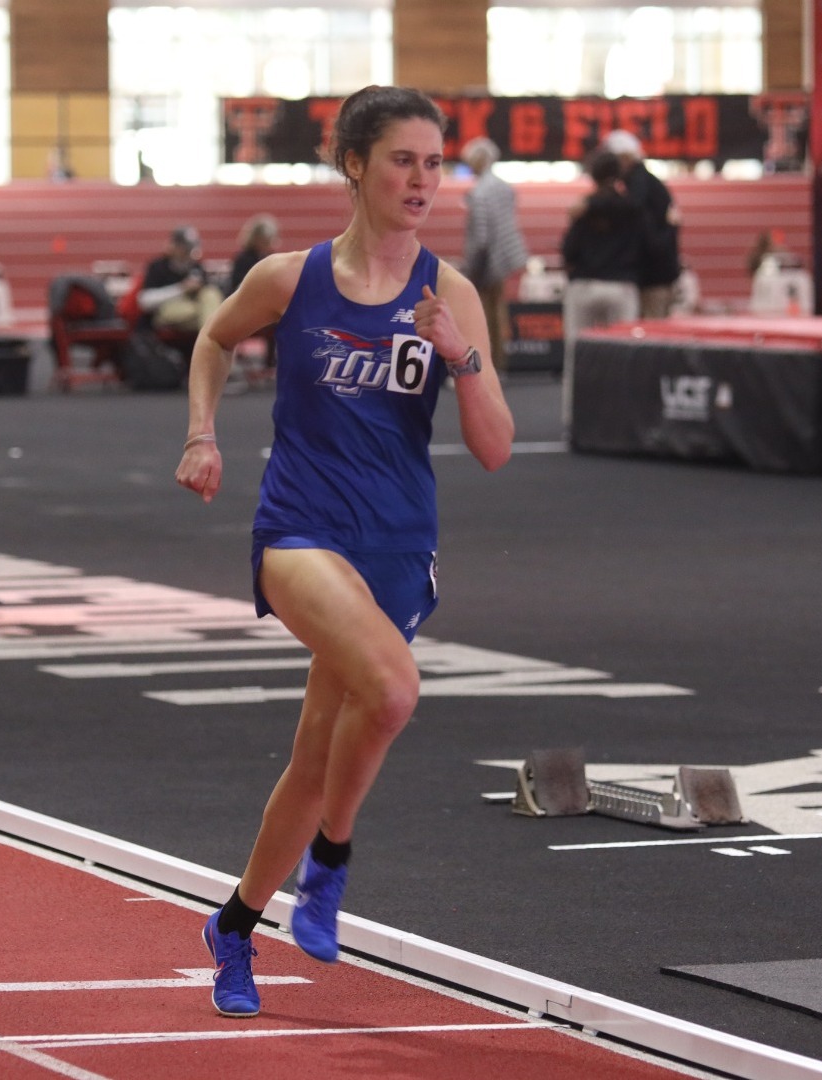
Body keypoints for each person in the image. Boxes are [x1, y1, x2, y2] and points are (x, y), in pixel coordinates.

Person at [174, 84, 513, 1019]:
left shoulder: (452, 293)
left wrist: (462, 357)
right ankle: (330, 863)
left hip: (399, 545)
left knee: (319, 753)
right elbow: (213, 335)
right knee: (395, 691)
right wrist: (204, 433)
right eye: (403, 160)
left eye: (435, 163)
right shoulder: (293, 277)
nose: (422, 180)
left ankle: (234, 926)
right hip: (300, 532)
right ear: (355, 165)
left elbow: (494, 447)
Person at [560, 150, 646, 427]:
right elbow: (645, 245)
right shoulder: (631, 208)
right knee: (624, 359)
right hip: (621, 285)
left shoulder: (583, 208)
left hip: (585, 285)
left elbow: (568, 249)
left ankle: (574, 419)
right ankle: (622, 421)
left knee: (577, 357)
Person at [459, 136, 529, 373]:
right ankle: (499, 364)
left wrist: (471, 270)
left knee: (482, 317)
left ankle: (485, 366)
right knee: (499, 314)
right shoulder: (503, 187)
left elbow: (481, 237)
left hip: (488, 262)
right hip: (506, 257)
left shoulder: (479, 193)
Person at [603, 130, 682, 318]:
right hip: (657, 272)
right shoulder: (643, 182)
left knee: (651, 333)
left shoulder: (639, 184)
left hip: (653, 276)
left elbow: (640, 220)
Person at [138, 225, 224, 335]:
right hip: (167, 311)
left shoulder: (196, 267)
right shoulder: (158, 266)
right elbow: (145, 301)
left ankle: (208, 340)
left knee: (210, 294)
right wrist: (181, 289)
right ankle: (210, 342)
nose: (187, 253)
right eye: (184, 248)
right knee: (208, 317)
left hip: (194, 309)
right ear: (173, 245)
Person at [227, 214, 278, 295]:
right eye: (265, 241)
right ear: (256, 239)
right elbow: (237, 285)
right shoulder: (243, 259)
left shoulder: (271, 257)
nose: (269, 245)